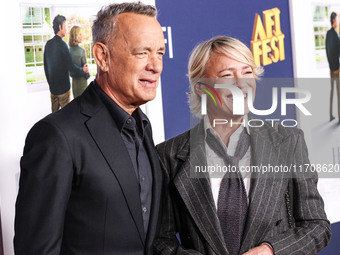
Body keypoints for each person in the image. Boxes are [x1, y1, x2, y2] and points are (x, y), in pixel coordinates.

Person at [154, 36, 331, 255]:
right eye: (227, 75)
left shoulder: (288, 141)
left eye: (247, 72)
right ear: (200, 88)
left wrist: (271, 250)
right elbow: (161, 240)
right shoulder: (167, 155)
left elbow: (317, 225)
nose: (241, 83)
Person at [15, 2, 165, 254]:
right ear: (102, 56)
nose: (156, 66)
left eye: (160, 53)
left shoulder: (142, 127)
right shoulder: (56, 136)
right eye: (142, 53)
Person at [44, 15, 89, 112]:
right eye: (65, 26)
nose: (66, 28)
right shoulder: (63, 45)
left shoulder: (48, 44)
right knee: (66, 117)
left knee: (54, 116)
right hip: (63, 90)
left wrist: (51, 85)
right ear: (60, 27)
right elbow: (71, 67)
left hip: (53, 90)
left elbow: (46, 68)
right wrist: (83, 71)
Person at [326, 12, 340, 123]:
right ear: (334, 20)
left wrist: (331, 65)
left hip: (331, 68)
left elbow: (327, 51)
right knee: (339, 92)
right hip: (337, 69)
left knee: (332, 91)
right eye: (338, 19)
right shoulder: (335, 35)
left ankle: (330, 114)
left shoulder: (328, 34)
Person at [69, 25, 90, 98]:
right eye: (80, 34)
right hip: (82, 83)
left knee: (77, 105)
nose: (82, 36)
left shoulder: (68, 51)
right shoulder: (81, 51)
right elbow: (86, 71)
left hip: (74, 83)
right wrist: (87, 74)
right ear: (76, 35)